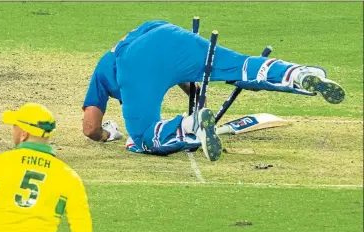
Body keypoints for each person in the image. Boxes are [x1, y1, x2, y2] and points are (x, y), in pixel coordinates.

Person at [82, 20, 345, 162]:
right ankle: (296, 74)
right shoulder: (122, 46)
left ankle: (192, 124)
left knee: (141, 138)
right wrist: (195, 95)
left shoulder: (104, 70)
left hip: (135, 62)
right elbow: (176, 72)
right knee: (238, 66)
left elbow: (90, 128)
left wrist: (109, 134)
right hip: (168, 33)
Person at [0, 103, 93, 232]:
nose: (13, 130)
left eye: (15, 126)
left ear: (24, 134)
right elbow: (82, 230)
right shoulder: (68, 177)